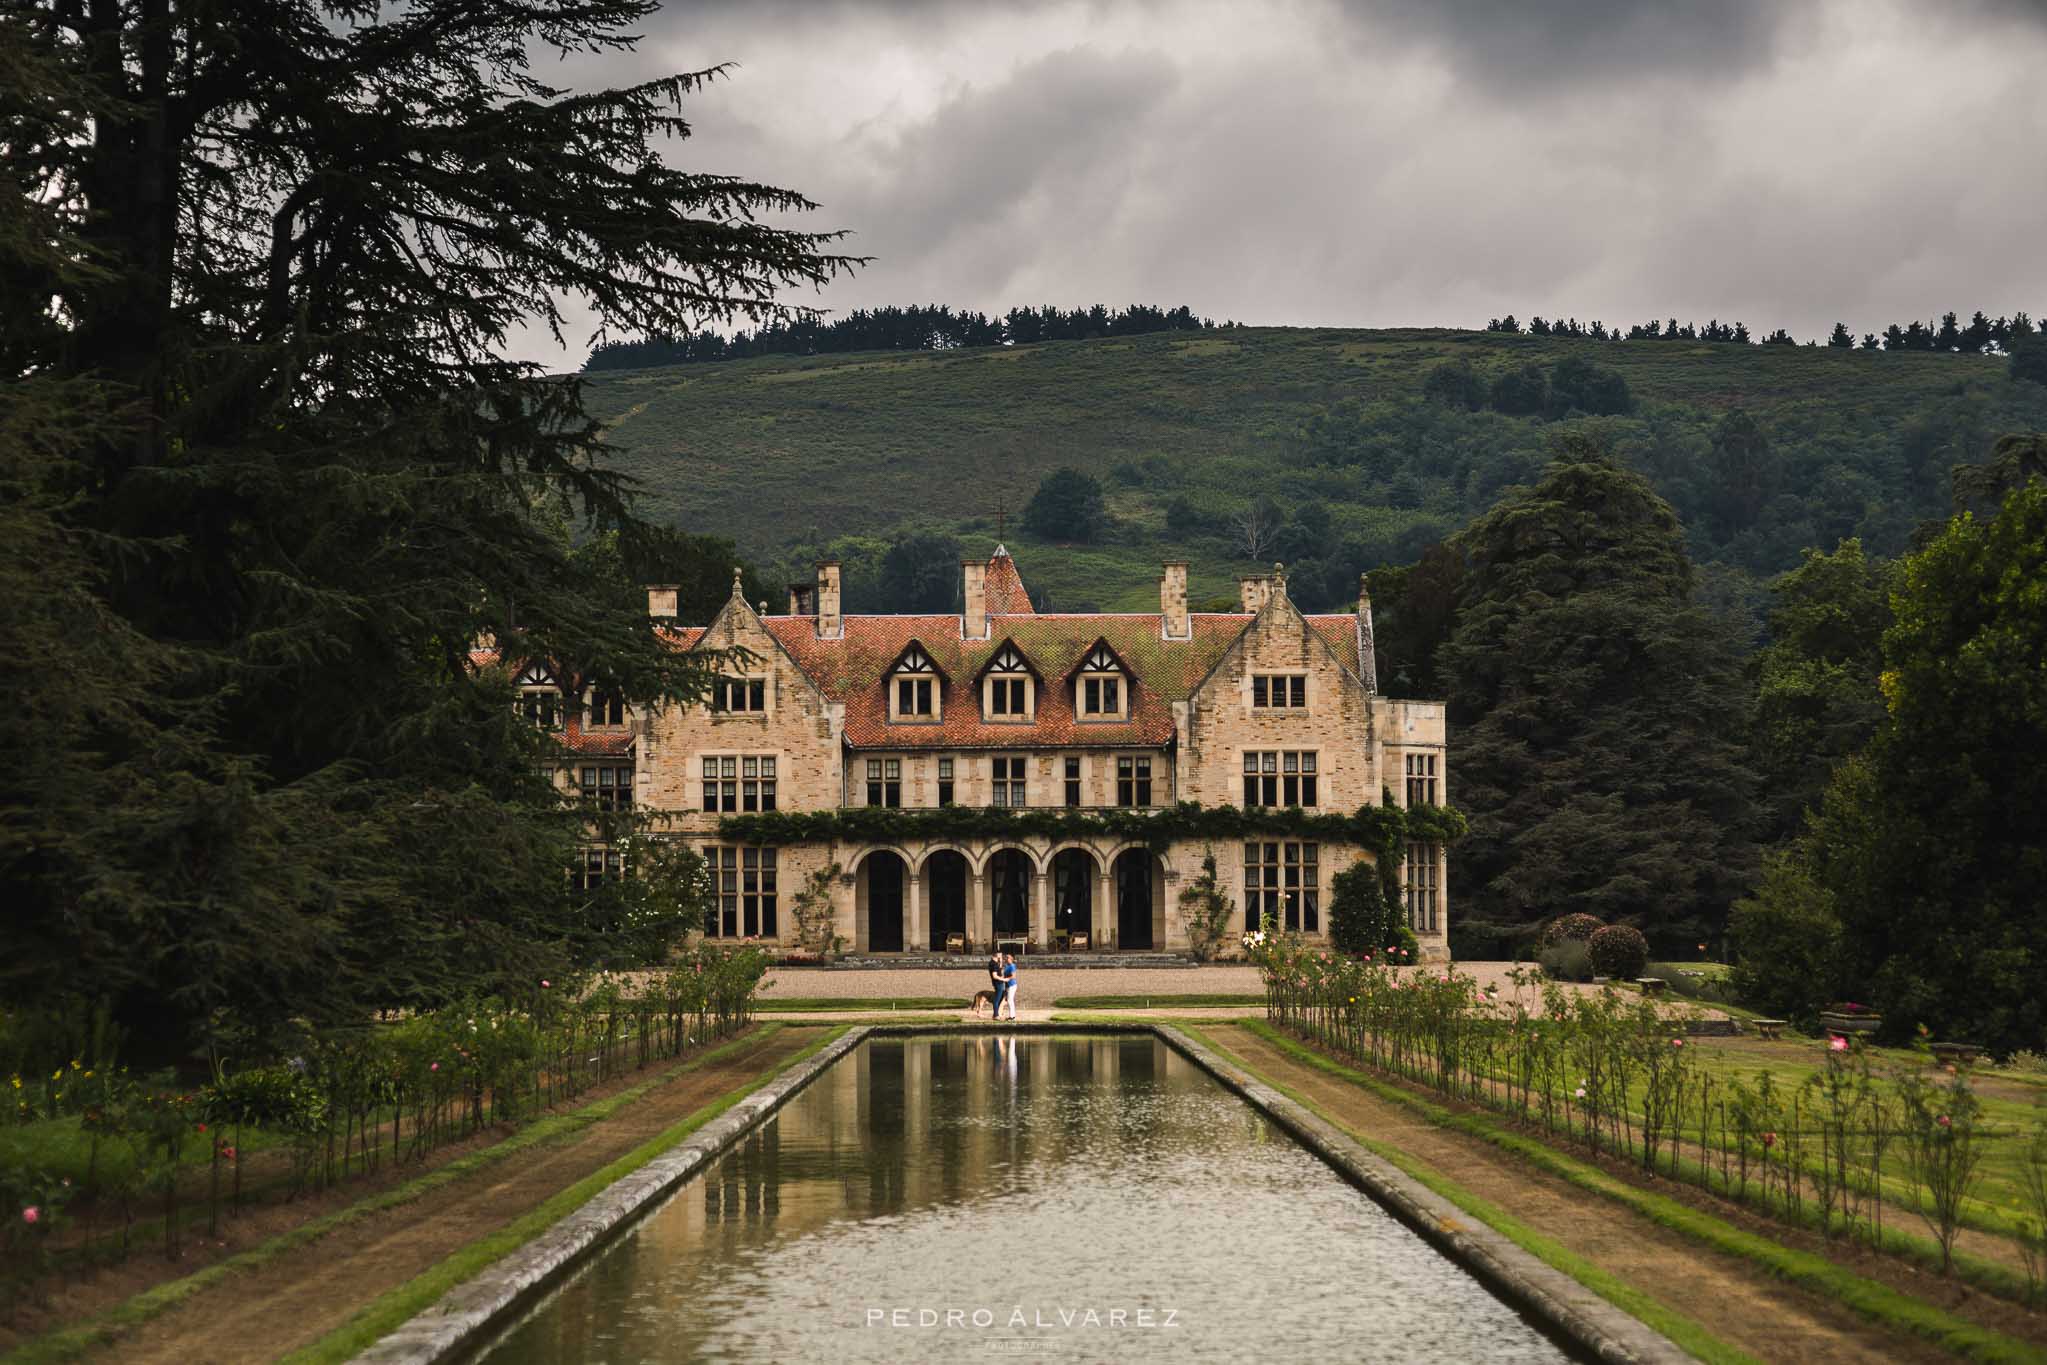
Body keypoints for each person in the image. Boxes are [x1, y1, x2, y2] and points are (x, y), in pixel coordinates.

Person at [998, 953, 1019, 1020]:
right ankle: (1009, 1015)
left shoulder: (1012, 966)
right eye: (1006, 958)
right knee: (1008, 1000)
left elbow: (1013, 976)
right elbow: (1003, 973)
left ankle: (1012, 1016)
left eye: (1008, 958)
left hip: (1012, 985)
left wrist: (1006, 979)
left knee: (1010, 1000)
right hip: (1007, 985)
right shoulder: (1007, 966)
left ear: (1011, 959)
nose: (1006, 959)